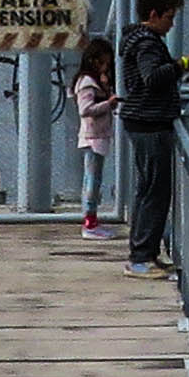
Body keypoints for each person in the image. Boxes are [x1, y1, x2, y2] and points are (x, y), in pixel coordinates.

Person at [118, 0, 189, 272]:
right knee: (155, 193)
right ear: (154, 14)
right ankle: (141, 258)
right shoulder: (147, 43)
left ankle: (144, 252)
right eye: (169, 17)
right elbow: (152, 77)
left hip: (142, 122)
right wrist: (183, 65)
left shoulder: (137, 40)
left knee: (148, 190)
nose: (172, 24)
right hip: (150, 125)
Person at [70, 32, 116, 236]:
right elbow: (85, 109)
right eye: (103, 63)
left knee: (94, 179)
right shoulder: (87, 82)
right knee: (92, 180)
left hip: (98, 135)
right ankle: (89, 223)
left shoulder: (95, 81)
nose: (105, 67)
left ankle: (92, 220)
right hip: (92, 137)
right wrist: (108, 104)